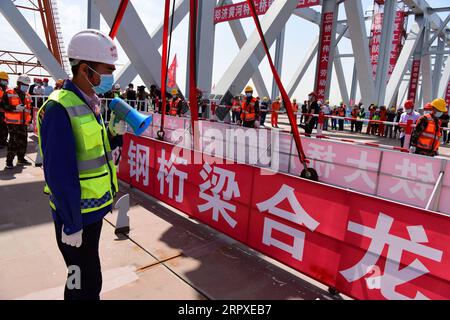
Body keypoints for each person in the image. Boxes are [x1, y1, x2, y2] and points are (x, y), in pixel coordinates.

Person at [37, 29, 126, 300]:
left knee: (90, 277)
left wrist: (113, 136)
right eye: (107, 69)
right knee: (79, 283)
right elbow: (59, 173)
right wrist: (72, 223)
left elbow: (91, 152)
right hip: (75, 217)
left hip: (94, 211)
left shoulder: (89, 104)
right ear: (86, 70)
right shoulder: (59, 109)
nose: (110, 76)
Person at [3, 74, 33, 168]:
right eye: (24, 85)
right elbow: (3, 106)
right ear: (18, 84)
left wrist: (30, 119)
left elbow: (30, 109)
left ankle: (21, 159)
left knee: (23, 141)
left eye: (27, 85)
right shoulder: (9, 92)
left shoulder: (27, 95)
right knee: (13, 141)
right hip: (13, 123)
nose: (26, 87)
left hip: (24, 122)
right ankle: (9, 162)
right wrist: (14, 108)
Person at [0, 71, 10, 147]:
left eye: (6, 80)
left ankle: (3, 141)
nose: (6, 82)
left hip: (4, 111)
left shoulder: (5, 89)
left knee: (4, 127)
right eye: (5, 80)